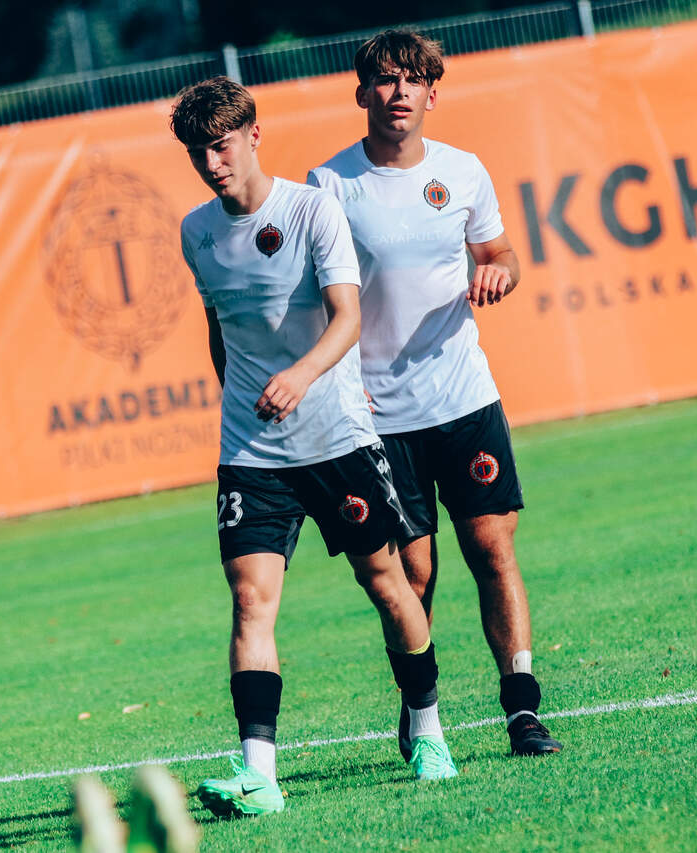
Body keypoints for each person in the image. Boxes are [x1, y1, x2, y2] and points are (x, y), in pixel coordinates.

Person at [169, 76, 459, 818]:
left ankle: (428, 730)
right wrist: (240, 397)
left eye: (221, 145)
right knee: (250, 599)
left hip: (336, 437)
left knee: (386, 581)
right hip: (252, 451)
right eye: (198, 152)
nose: (211, 163)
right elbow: (219, 328)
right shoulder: (196, 232)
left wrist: (299, 376)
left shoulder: (311, 209)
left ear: (253, 135)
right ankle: (259, 774)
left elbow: (347, 318)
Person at [308, 30, 563, 757]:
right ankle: (421, 710)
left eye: (412, 80)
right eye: (385, 80)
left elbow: (500, 252)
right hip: (379, 416)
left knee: (492, 548)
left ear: (431, 94)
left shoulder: (463, 171)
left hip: (463, 398)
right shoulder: (329, 186)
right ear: (362, 93)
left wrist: (500, 272)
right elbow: (313, 297)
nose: (398, 93)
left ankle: (522, 708)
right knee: (413, 573)